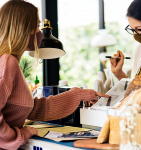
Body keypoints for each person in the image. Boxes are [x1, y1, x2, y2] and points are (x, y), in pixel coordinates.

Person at [0, 0, 110, 149]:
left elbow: (34, 108)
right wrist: (18, 136)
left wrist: (77, 95)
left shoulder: (9, 61)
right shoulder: (7, 62)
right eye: (37, 26)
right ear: (24, 27)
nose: (40, 33)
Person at [110, 0, 141, 80]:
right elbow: (135, 90)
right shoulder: (140, 49)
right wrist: (118, 73)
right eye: (132, 30)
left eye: (139, 29)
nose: (135, 34)